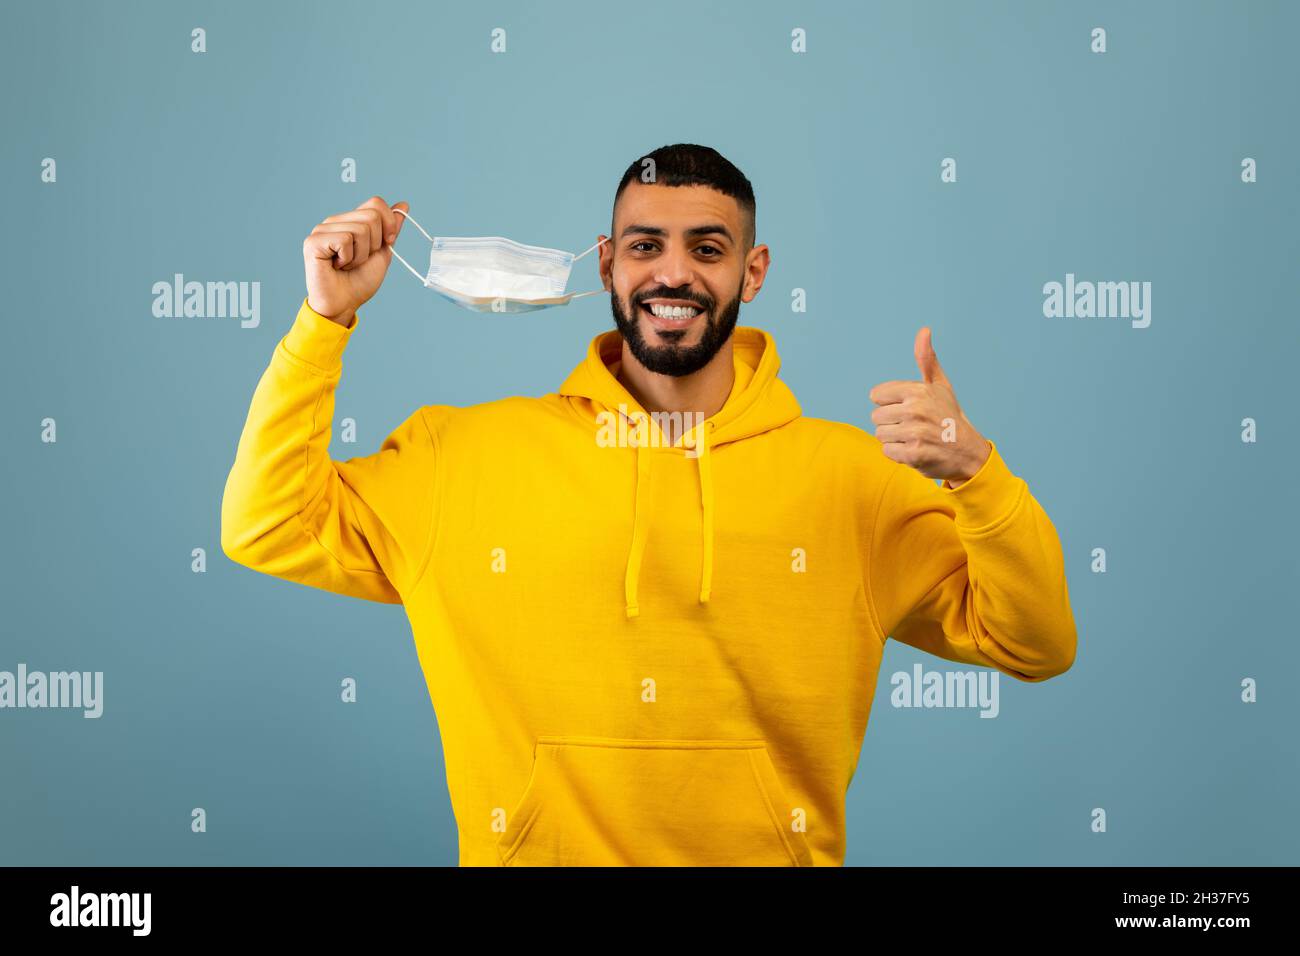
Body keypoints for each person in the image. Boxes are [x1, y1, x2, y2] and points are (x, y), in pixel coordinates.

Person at [221, 143, 1077, 867]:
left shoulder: (854, 481)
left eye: (708, 249)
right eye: (645, 247)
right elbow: (264, 523)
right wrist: (323, 323)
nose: (674, 273)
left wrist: (976, 471)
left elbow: (1033, 642)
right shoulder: (463, 457)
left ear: (755, 269)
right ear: (605, 264)